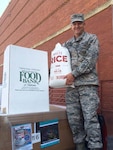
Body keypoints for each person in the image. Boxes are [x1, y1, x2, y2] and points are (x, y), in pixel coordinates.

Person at [63, 13, 103, 150]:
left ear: (84, 24)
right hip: (71, 88)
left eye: (79, 23)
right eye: (74, 23)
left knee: (90, 119)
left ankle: (95, 147)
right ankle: (80, 147)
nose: (77, 26)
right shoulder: (66, 45)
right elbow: (60, 62)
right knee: (74, 120)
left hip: (88, 86)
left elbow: (90, 60)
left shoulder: (92, 39)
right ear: (71, 26)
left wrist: (73, 74)